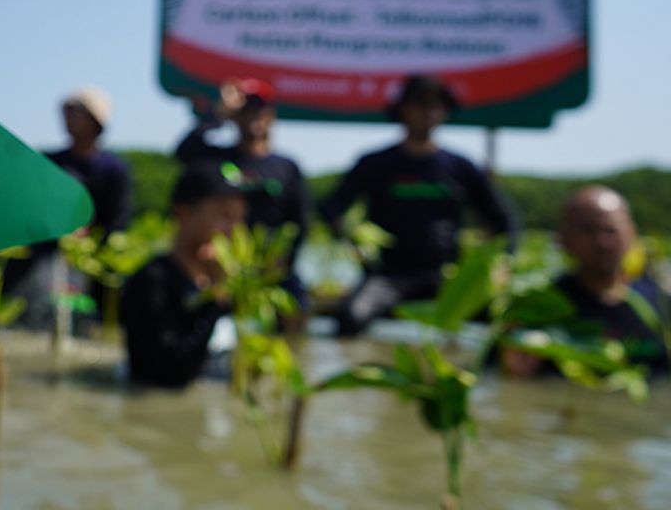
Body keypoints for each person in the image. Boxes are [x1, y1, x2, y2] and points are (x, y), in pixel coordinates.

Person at [320, 74, 516, 336]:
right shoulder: (375, 163)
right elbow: (330, 207)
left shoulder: (461, 167)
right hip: (389, 275)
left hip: (446, 275)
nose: (428, 111)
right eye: (420, 103)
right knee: (350, 318)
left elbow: (504, 220)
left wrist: (500, 265)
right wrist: (351, 237)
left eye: (437, 104)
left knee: (503, 321)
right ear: (403, 110)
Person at [174, 78, 310, 311]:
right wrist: (215, 117)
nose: (254, 116)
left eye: (260, 110)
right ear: (234, 117)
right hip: (220, 262)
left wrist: (281, 263)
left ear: (272, 117)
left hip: (271, 266)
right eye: (246, 110)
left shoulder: (286, 167)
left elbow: (300, 223)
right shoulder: (216, 159)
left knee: (297, 311)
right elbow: (183, 153)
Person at [2, 86, 132, 326]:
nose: (68, 118)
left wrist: (92, 240)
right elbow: (32, 208)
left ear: (95, 121)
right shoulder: (51, 162)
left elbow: (119, 217)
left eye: (76, 112)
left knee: (99, 309)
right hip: (45, 249)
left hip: (92, 255)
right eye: (66, 111)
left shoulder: (114, 168)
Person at [503, 186, 668, 376]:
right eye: (588, 230)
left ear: (632, 234)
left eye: (611, 230)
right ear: (562, 238)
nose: (602, 242)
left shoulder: (660, 302)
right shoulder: (536, 309)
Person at [121, 165, 245, 388]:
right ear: (183, 213)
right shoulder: (151, 281)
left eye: (239, 218)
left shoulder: (231, 282)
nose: (233, 229)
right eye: (224, 216)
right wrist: (215, 298)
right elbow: (167, 372)